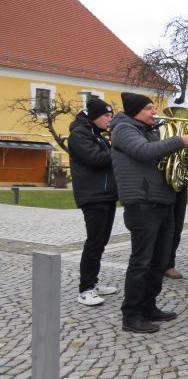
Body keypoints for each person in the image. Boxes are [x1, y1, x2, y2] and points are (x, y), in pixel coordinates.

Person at [111, 92, 188, 333]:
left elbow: (164, 156)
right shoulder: (123, 129)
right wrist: (180, 141)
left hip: (162, 201)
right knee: (141, 262)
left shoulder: (151, 130)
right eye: (148, 108)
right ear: (135, 111)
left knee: (160, 261)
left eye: (153, 107)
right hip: (142, 203)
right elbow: (144, 151)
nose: (154, 112)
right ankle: (131, 315)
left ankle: (148, 306)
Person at [68, 98, 118, 306]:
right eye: (106, 115)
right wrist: (119, 147)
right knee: (94, 242)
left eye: (111, 115)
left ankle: (93, 282)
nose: (109, 119)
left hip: (106, 195)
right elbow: (96, 160)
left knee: (101, 242)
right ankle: (85, 289)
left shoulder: (97, 135)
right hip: (93, 196)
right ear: (95, 116)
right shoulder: (79, 135)